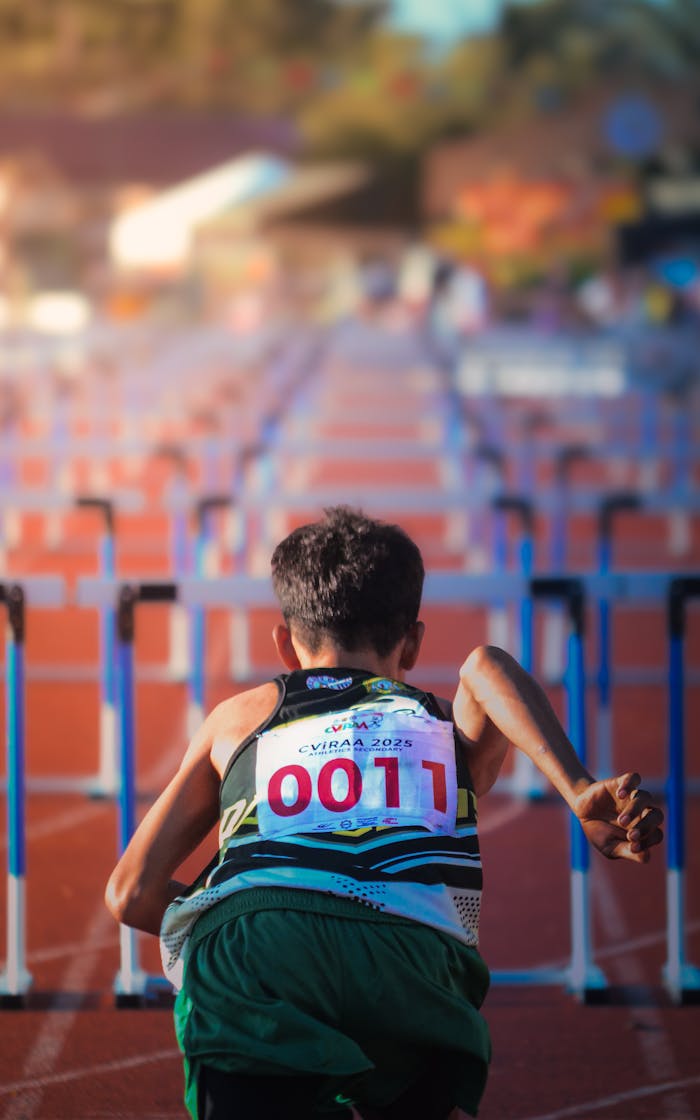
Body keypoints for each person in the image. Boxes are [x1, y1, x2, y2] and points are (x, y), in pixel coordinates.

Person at [105, 506, 664, 1120]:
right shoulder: (442, 727)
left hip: (257, 947)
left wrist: (233, 914)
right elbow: (486, 666)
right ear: (414, 642)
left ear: (284, 644)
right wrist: (579, 787)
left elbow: (130, 892)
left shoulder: (237, 718)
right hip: (408, 951)